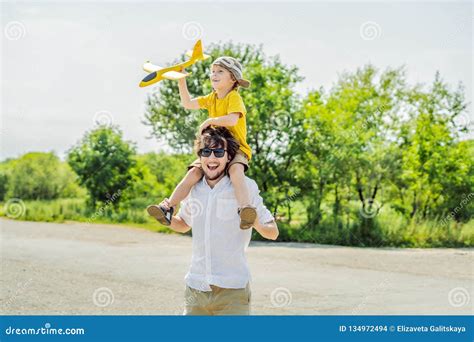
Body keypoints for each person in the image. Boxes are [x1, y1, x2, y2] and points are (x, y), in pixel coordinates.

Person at [148, 126, 279, 315]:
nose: (212, 158)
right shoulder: (194, 189)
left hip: (233, 291)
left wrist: (253, 219)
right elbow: (184, 224)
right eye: (206, 152)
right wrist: (169, 220)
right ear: (200, 157)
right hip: (196, 287)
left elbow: (272, 232)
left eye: (218, 152)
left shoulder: (245, 187)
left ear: (229, 157)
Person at [147, 56, 256, 229]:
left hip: (237, 149)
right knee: (193, 174)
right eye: (212, 71)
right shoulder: (211, 98)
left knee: (236, 170)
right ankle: (168, 207)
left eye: (220, 71)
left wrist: (209, 120)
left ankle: (245, 211)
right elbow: (188, 103)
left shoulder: (234, 97)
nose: (214, 74)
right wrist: (181, 81)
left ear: (233, 78)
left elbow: (232, 120)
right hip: (216, 147)